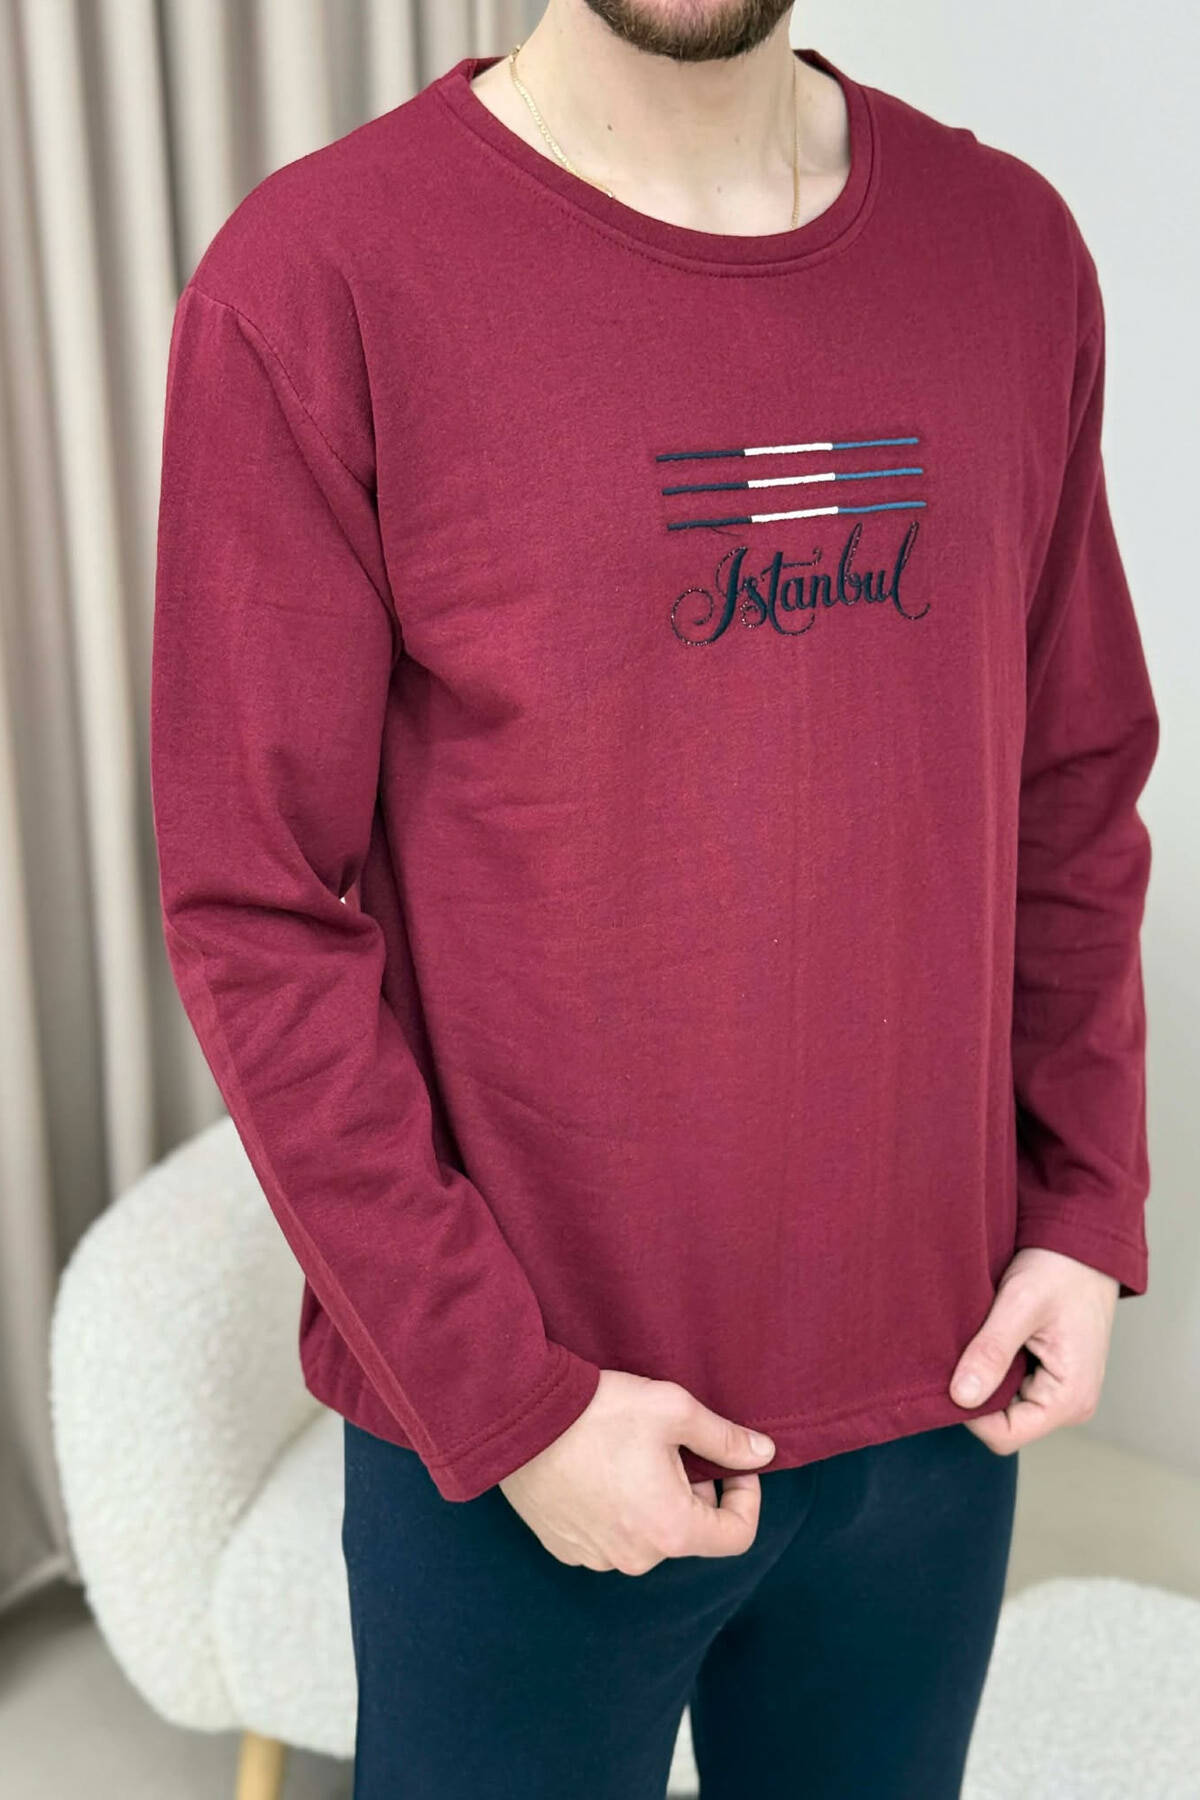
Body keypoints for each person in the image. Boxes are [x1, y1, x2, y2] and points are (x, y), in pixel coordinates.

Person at [149, 2, 1159, 1794]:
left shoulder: (1010, 253)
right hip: (519, 1447)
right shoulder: (318, 284)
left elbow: (1069, 778)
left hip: (932, 1418)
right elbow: (256, 907)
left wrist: (1082, 1203)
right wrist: (505, 1402)